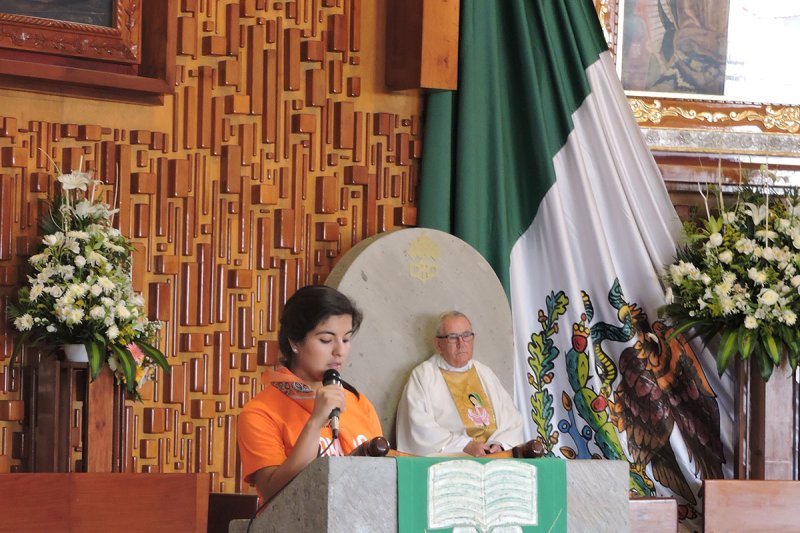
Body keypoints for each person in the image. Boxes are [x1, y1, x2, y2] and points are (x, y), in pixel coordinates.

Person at [237, 285, 383, 503]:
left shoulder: (358, 402)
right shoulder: (260, 412)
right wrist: (315, 422)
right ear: (295, 342)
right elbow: (271, 491)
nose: (339, 351)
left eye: (346, 339)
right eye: (326, 340)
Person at [396, 311, 524, 457]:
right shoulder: (424, 375)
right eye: (453, 337)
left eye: (466, 335)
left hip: (493, 459)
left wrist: (499, 444)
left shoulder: (484, 373)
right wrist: (465, 446)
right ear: (438, 344)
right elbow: (419, 426)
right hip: (451, 460)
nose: (461, 343)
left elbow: (512, 420)